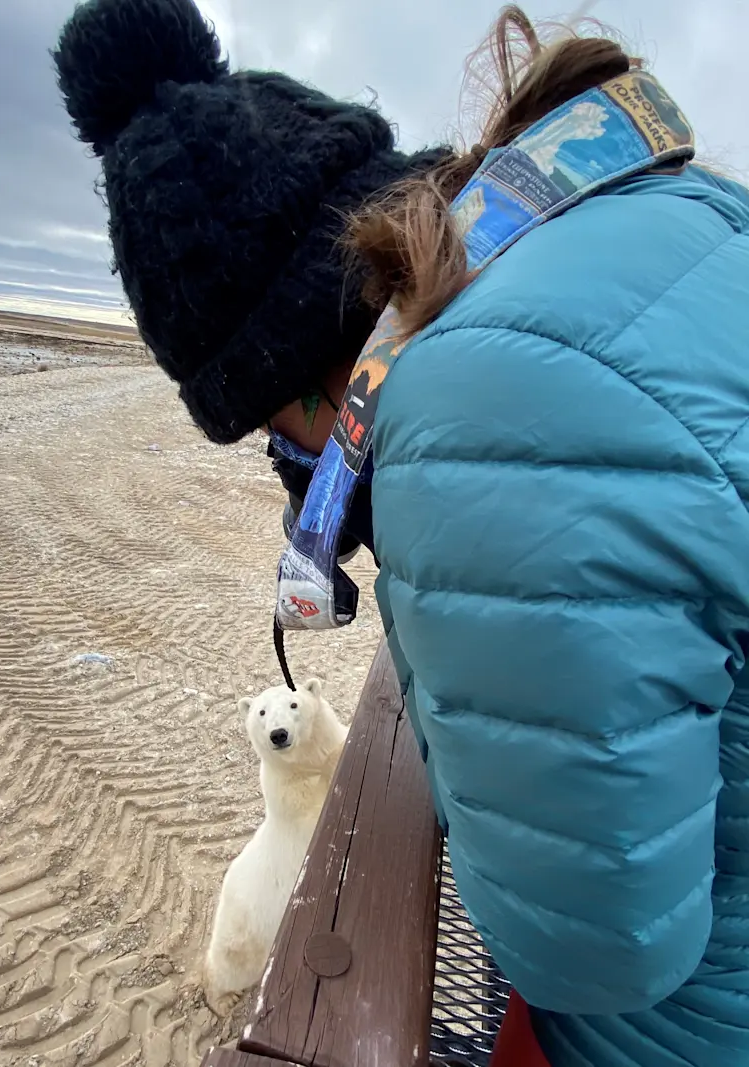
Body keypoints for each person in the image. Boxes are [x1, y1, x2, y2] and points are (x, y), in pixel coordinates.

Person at [54, 2, 749, 1065]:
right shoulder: (632, 217)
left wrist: (431, 636)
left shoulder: (470, 417)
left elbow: (592, 945)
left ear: (306, 366)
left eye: (273, 427)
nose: (289, 466)